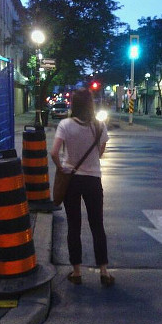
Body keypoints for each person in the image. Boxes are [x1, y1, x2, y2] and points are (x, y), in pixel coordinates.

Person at [50, 88, 114, 287]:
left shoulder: (65, 125)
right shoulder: (99, 126)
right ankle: (103, 271)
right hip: (93, 180)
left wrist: (62, 168)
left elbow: (54, 153)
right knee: (97, 226)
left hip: (72, 180)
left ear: (73, 105)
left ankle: (76, 272)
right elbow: (100, 152)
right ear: (91, 104)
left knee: (74, 226)